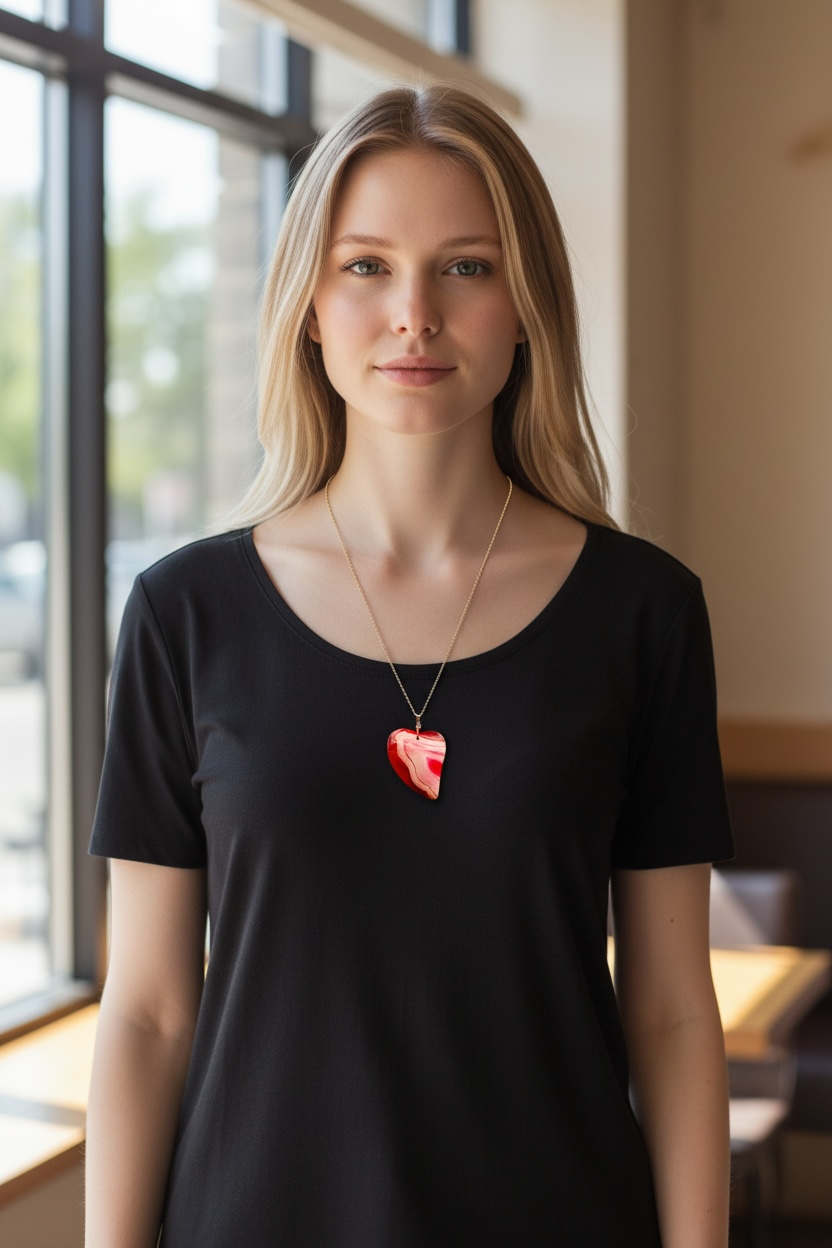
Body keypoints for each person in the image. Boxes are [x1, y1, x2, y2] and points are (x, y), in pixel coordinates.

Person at [84, 83, 734, 1248]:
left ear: (528, 305)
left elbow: (676, 1014)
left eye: (467, 268)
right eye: (366, 266)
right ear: (308, 309)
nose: (415, 315)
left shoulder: (645, 614)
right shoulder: (183, 614)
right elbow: (142, 1015)